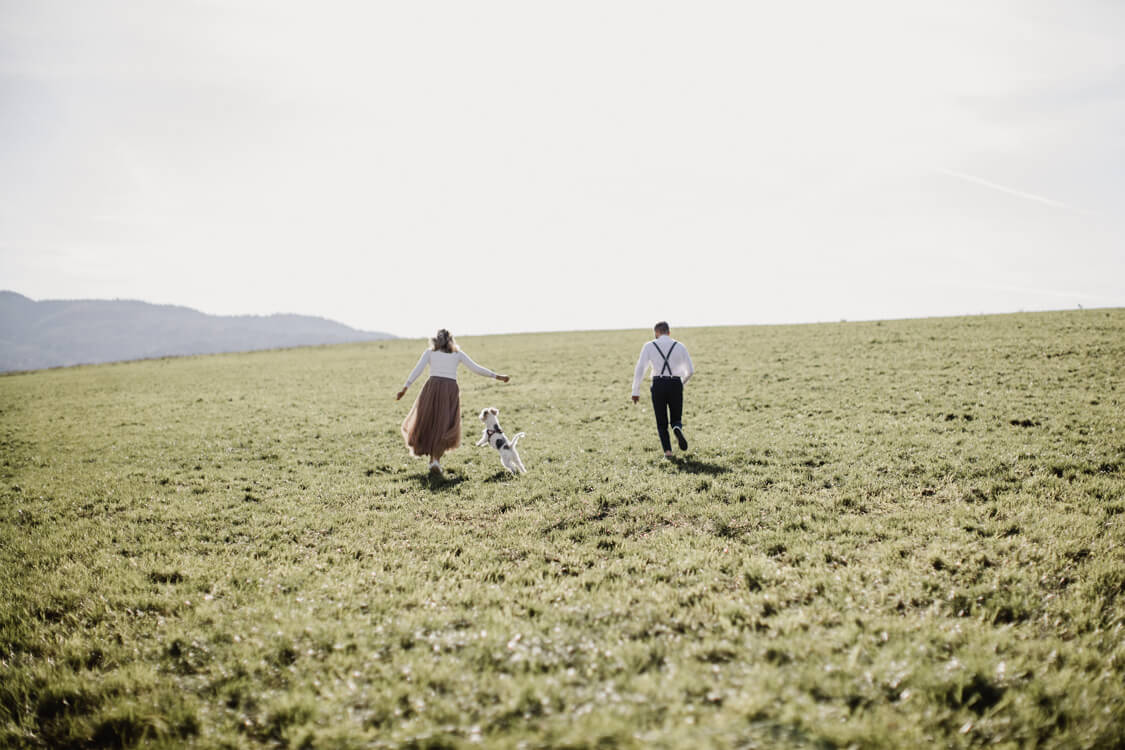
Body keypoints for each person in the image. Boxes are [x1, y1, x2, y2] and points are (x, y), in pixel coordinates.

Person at [396, 329, 510, 475]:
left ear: (435, 340)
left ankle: (434, 461)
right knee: (444, 425)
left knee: (431, 423)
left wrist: (405, 387)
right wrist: (497, 376)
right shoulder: (457, 354)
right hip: (449, 390)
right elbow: (476, 368)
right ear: (451, 340)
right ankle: (435, 460)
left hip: (432, 388)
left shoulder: (430, 353)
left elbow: (417, 370)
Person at [631, 321, 695, 458]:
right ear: (669, 332)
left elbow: (640, 369)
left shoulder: (649, 346)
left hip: (658, 383)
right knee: (676, 417)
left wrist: (635, 391)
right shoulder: (680, 346)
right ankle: (677, 427)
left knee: (661, 421)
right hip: (676, 383)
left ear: (656, 333)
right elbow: (690, 370)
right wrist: (681, 383)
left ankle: (668, 451)